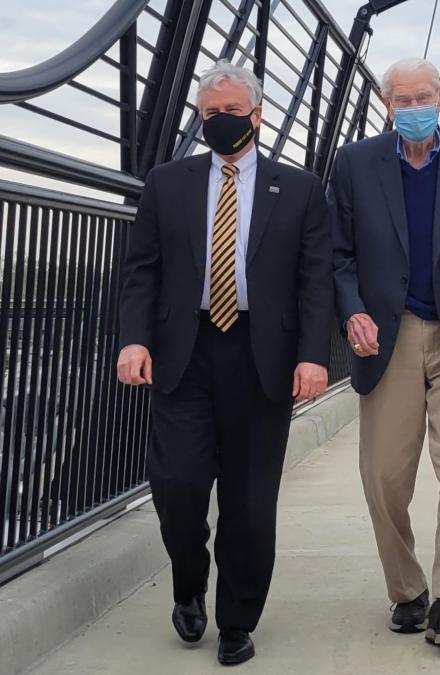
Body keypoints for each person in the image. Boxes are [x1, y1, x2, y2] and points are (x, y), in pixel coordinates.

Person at [117, 60, 332, 666]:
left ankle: (237, 620)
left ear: (258, 116)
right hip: (184, 355)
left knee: (249, 501)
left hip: (261, 360)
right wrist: (134, 340)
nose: (222, 123)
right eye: (211, 114)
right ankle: (189, 583)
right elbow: (142, 271)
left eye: (233, 113)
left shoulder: (300, 189)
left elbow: (314, 281)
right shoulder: (167, 182)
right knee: (178, 484)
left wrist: (314, 355)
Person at [327, 57, 440, 647]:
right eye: (401, 101)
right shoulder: (354, 165)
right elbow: (338, 255)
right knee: (383, 475)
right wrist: (352, 308)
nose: (412, 110)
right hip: (388, 334)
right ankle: (408, 590)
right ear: (386, 105)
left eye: (422, 98)